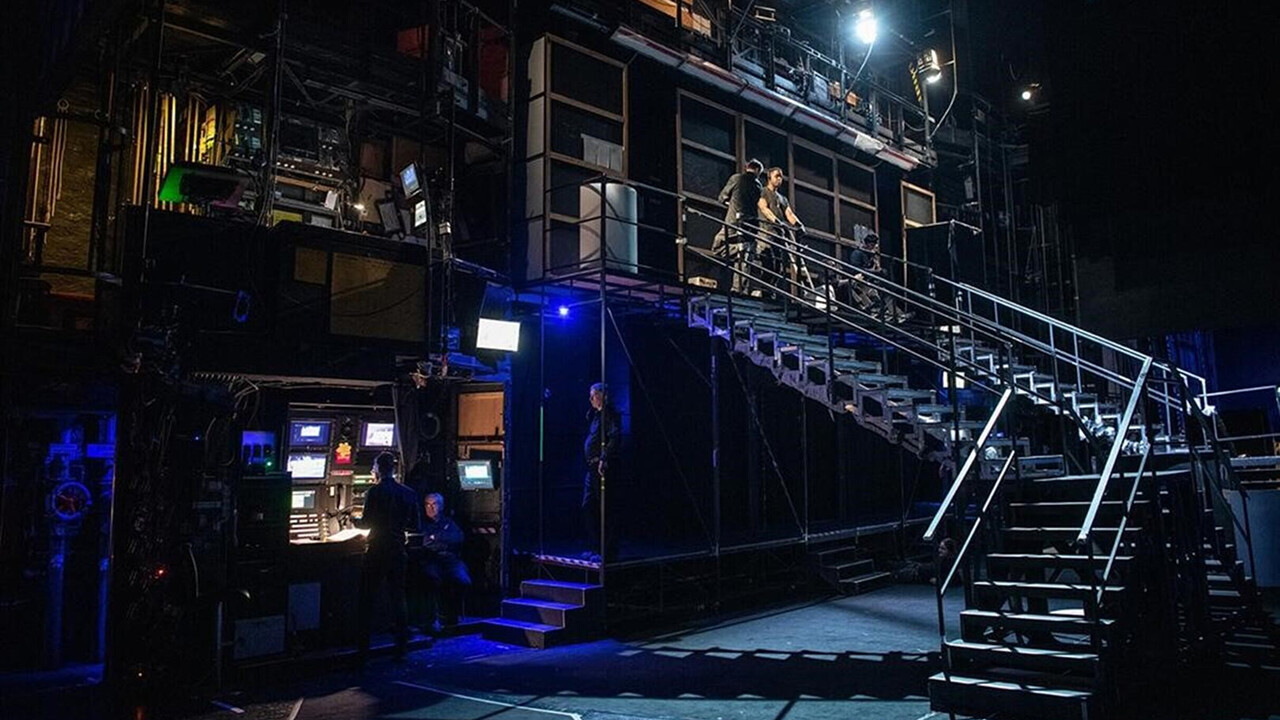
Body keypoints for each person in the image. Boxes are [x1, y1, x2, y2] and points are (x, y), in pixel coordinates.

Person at [354, 451, 419, 660]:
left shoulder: (374, 492)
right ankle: (401, 647)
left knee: (367, 598)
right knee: (398, 598)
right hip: (398, 550)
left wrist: (352, 520)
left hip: (376, 550)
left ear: (377, 469)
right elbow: (415, 525)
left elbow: (366, 523)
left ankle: (363, 650)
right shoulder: (408, 493)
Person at [417, 492, 472, 633]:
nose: (430, 508)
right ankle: (435, 618)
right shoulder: (421, 524)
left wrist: (436, 539)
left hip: (451, 560)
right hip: (431, 560)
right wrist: (441, 541)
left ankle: (453, 615)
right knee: (432, 580)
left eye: (434, 504)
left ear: (441, 506)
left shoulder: (449, 522)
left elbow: (458, 538)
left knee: (463, 580)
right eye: (427, 504)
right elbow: (425, 543)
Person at [756, 167, 814, 296]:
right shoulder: (763, 192)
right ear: (769, 178)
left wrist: (799, 225)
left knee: (778, 267)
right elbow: (764, 208)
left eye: (781, 176)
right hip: (766, 233)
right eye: (776, 176)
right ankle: (766, 293)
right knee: (769, 264)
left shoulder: (782, 198)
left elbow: (789, 213)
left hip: (779, 236)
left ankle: (772, 292)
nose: (779, 179)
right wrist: (776, 221)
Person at [581, 382, 621, 563]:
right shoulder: (595, 416)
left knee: (605, 508)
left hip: (601, 466)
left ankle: (607, 551)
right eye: (591, 395)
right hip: (591, 467)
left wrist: (604, 458)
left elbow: (615, 437)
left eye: (595, 395)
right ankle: (596, 546)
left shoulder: (609, 414)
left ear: (603, 395)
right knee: (588, 505)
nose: (591, 399)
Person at [713, 159, 764, 294]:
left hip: (733, 222)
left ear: (747, 167)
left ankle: (737, 249)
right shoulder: (758, 186)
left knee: (718, 246)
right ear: (758, 172)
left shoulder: (736, 178)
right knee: (745, 257)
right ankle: (739, 289)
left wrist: (729, 203)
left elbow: (722, 197)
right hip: (750, 224)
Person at [848, 233, 909, 322]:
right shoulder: (857, 253)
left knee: (886, 292)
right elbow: (855, 269)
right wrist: (875, 272)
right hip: (860, 280)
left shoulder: (872, 255)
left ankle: (897, 314)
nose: (873, 247)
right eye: (871, 245)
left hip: (871, 280)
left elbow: (875, 268)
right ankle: (878, 312)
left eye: (874, 245)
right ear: (866, 244)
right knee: (873, 291)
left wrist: (879, 270)